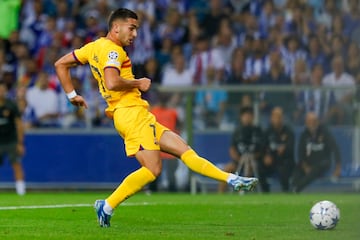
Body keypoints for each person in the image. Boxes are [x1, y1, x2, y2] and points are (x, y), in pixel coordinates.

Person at [54, 8, 258, 228]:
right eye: (131, 28)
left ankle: (231, 179)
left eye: (136, 29)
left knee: (184, 150)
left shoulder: (92, 47)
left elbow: (61, 64)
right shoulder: (114, 52)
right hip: (130, 113)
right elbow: (112, 82)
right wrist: (137, 83)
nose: (134, 34)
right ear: (116, 27)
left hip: (138, 114)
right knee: (153, 169)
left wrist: (72, 95)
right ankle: (107, 206)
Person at [292, 112, 341, 193]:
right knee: (297, 169)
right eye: (309, 121)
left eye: (314, 121)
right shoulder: (304, 135)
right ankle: (293, 187)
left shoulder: (325, 132)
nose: (312, 124)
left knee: (316, 169)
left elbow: (334, 147)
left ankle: (297, 188)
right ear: (306, 123)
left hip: (322, 163)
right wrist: (304, 166)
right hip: (308, 163)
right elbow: (300, 153)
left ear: (318, 121)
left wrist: (338, 166)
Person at [218, 106, 263, 193]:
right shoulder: (237, 131)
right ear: (241, 117)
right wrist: (239, 160)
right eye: (245, 115)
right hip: (238, 161)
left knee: (249, 169)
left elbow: (261, 150)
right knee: (226, 170)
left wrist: (250, 160)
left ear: (253, 117)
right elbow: (232, 149)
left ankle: (245, 195)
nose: (247, 118)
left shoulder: (258, 131)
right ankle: (220, 195)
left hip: (254, 162)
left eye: (249, 115)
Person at [258, 107, 295, 192]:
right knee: (260, 168)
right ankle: (265, 192)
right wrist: (266, 156)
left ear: (282, 118)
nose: (277, 119)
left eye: (279, 116)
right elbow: (262, 148)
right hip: (271, 161)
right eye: (274, 116)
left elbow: (290, 149)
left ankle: (286, 192)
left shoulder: (289, 132)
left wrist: (284, 149)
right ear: (271, 118)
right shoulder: (267, 132)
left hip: (284, 161)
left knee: (284, 170)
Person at [0, 82, 26, 195]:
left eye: (2, 89)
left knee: (16, 165)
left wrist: (20, 143)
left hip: (11, 141)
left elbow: (19, 124)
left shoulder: (11, 105)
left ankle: (21, 191)